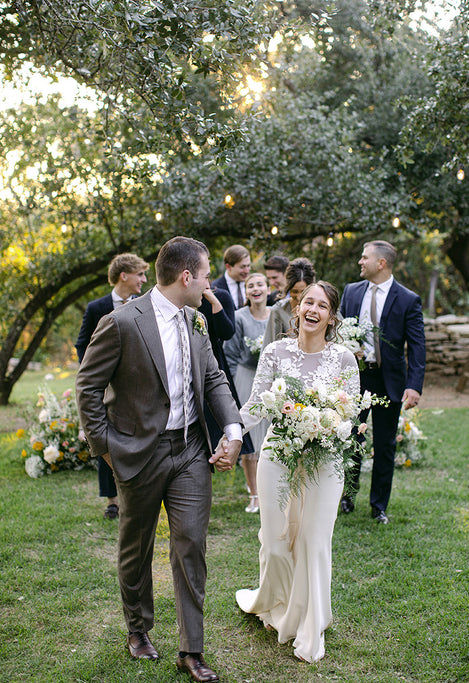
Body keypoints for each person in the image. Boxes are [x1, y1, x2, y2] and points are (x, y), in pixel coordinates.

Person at [76, 236, 242, 683]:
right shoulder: (122, 322)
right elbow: (88, 388)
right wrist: (106, 448)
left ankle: (192, 650)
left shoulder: (197, 320)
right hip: (139, 454)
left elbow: (213, 378)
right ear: (186, 277)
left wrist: (232, 428)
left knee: (191, 544)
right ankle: (138, 628)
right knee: (137, 545)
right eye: (206, 275)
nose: (210, 284)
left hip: (190, 450)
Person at [235, 280, 359, 663]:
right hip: (278, 452)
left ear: (331, 317)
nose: (313, 310)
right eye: (309, 302)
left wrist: (324, 423)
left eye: (322, 306)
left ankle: (308, 619)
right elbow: (257, 403)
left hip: (324, 458)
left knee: (311, 540)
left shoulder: (343, 359)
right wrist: (232, 433)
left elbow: (350, 414)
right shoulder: (275, 352)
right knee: (275, 541)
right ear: (297, 306)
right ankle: (275, 603)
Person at [338, 240, 425, 524]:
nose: (360, 262)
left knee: (386, 444)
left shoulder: (408, 299)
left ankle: (379, 506)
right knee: (351, 438)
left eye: (365, 258)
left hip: (390, 380)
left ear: (381, 263)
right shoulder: (351, 291)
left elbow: (417, 345)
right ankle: (348, 496)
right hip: (356, 377)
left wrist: (414, 384)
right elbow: (338, 330)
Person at [75, 252, 149, 520]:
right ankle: (112, 500)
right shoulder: (97, 307)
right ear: (124, 275)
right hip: (106, 384)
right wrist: (95, 372)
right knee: (106, 436)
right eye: (139, 274)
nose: (143, 279)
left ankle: (139, 489)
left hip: (137, 382)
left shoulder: (144, 304)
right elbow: (82, 343)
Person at [224, 272, 272, 513]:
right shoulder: (239, 316)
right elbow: (230, 353)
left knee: (270, 436)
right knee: (249, 438)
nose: (256, 289)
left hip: (272, 380)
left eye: (260, 285)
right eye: (250, 286)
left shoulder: (275, 315)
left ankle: (271, 491)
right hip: (245, 377)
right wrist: (232, 386)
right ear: (246, 293)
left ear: (268, 289)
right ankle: (254, 494)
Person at [263, 257, 317, 346]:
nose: (299, 297)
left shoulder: (323, 307)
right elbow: (268, 344)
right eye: (294, 291)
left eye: (304, 291)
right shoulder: (279, 310)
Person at [212, 244, 251, 310]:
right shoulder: (216, 287)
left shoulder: (254, 285)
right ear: (228, 266)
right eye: (242, 267)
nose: (247, 271)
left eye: (248, 265)